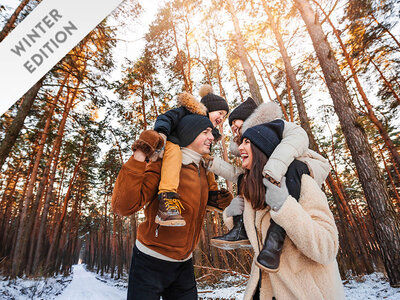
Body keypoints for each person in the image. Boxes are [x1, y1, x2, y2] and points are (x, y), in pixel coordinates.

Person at [111, 114, 232, 300]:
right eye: (205, 132)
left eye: (211, 132)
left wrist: (214, 201)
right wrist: (140, 154)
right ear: (189, 134)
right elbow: (124, 206)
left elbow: (189, 207)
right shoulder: (164, 164)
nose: (212, 137)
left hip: (184, 263)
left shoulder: (202, 168)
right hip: (150, 261)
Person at [209, 101, 330, 273]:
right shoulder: (255, 178)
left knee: (292, 169)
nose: (234, 130)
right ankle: (240, 227)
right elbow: (238, 174)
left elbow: (298, 138)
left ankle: (275, 238)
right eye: (234, 130)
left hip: (299, 165)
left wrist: (273, 170)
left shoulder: (278, 129)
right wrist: (213, 164)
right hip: (267, 287)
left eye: (236, 125)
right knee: (245, 177)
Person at [233, 121, 345, 299]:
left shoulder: (303, 183)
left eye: (247, 142)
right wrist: (230, 214)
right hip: (265, 289)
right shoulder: (251, 193)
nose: (240, 147)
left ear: (263, 149)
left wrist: (284, 206)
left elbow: (328, 248)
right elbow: (252, 239)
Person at [153, 85, 230, 226]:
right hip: (174, 142)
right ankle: (167, 197)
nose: (221, 118)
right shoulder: (187, 112)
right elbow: (167, 117)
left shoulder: (209, 133)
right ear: (208, 108)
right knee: (174, 152)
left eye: (224, 116)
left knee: (208, 159)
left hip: (193, 152)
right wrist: (162, 134)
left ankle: (212, 195)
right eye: (220, 113)